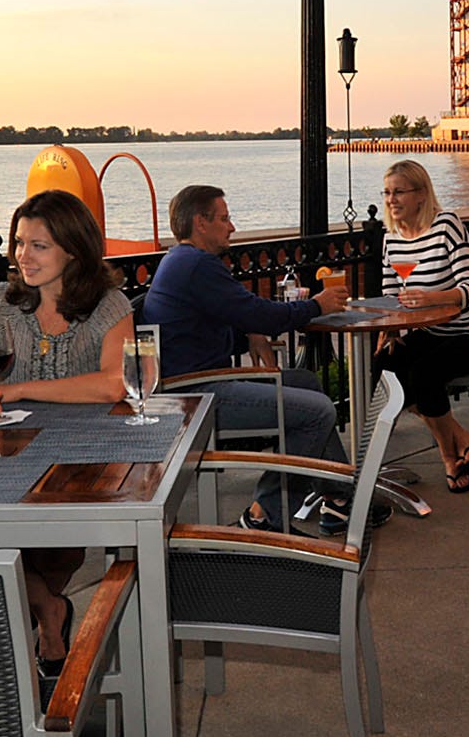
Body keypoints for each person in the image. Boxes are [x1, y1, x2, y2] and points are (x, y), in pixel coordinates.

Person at [0, 189, 132, 676]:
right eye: (20, 243)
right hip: (3, 457)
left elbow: (114, 383)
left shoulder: (109, 305)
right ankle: (48, 612)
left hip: (78, 459)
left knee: (54, 542)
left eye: (39, 245)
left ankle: (37, 616)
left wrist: (21, 389)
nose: (23, 255)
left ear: (74, 250)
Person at [146, 184, 356, 535]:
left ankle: (337, 495)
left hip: (196, 382)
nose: (232, 227)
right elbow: (261, 313)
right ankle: (264, 515)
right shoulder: (197, 265)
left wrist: (250, 336)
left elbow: (210, 327)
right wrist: (316, 305)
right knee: (318, 412)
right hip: (197, 396)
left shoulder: (178, 260)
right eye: (224, 218)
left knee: (305, 382)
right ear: (200, 222)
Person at [373, 160, 469, 494]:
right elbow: (391, 295)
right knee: (384, 368)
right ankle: (460, 436)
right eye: (387, 193)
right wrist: (391, 328)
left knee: (423, 374)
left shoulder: (446, 225)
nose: (391, 199)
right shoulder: (391, 239)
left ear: (421, 194)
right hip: (434, 332)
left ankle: (448, 457)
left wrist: (431, 298)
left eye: (399, 192)